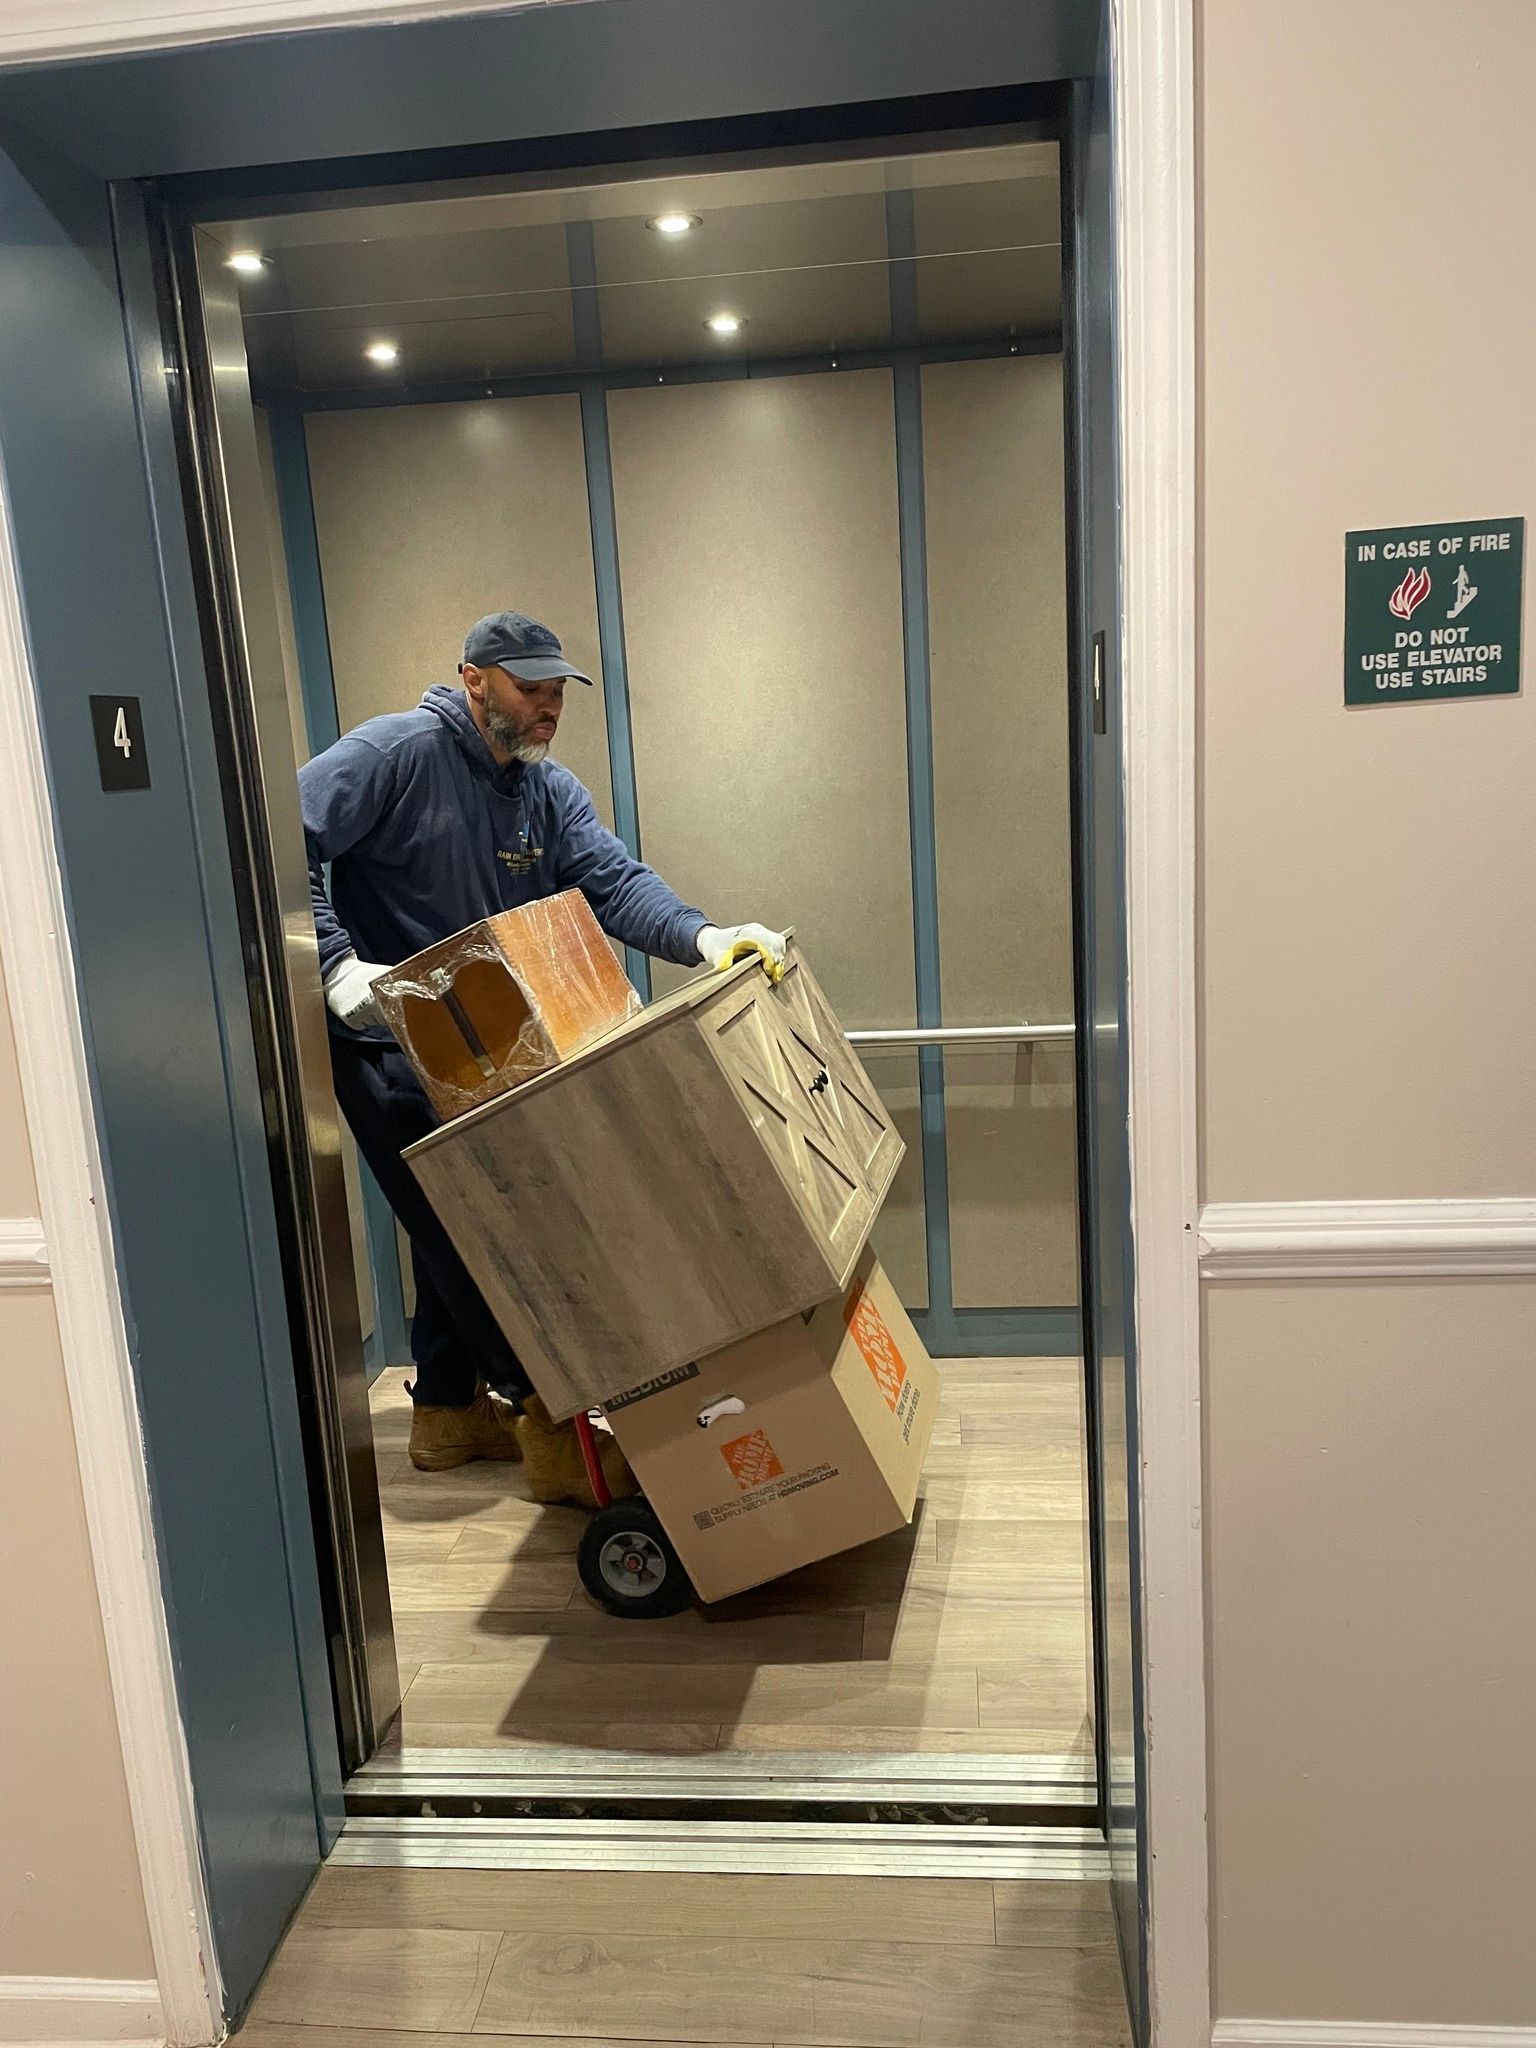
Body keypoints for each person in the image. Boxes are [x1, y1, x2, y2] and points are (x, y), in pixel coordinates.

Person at [300, 609, 786, 1498]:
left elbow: (614, 884)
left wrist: (705, 937)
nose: (548, 706)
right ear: (473, 679)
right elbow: (275, 839)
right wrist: (333, 964)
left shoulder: (547, 791)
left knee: (457, 1228)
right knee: (470, 1232)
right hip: (393, 1043)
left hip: (500, 1053)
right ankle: (548, 1423)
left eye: (557, 691)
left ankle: (446, 1414)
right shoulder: (394, 754)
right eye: (530, 688)